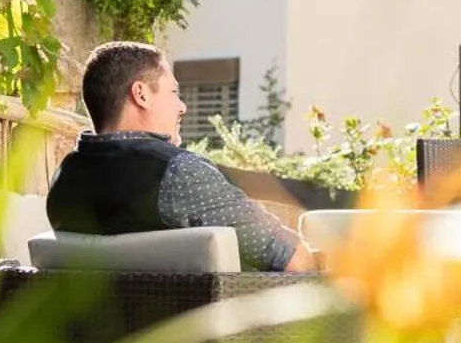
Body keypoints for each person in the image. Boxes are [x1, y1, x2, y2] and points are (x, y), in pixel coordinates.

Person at [47, 41, 317, 272]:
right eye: (174, 92)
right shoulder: (177, 172)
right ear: (140, 94)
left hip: (98, 332)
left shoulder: (63, 181)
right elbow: (294, 261)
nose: (183, 106)